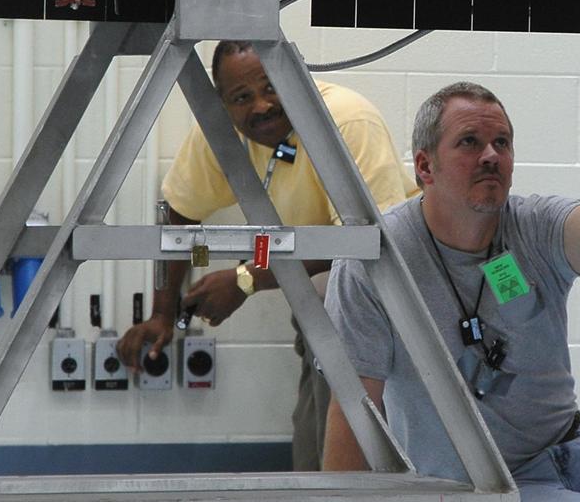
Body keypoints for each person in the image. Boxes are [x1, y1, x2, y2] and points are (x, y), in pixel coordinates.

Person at [321, 45, 580, 501]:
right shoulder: (376, 261)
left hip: (572, 447)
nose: (490, 155)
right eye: (469, 142)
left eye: (501, 143)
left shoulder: (533, 226)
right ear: (425, 166)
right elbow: (354, 407)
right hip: (478, 484)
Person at [116, 39, 415, 471]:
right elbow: (178, 212)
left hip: (382, 296)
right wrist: (162, 314)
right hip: (318, 307)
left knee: (334, 300)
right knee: (314, 419)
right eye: (242, 97)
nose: (261, 106)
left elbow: (364, 243)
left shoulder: (348, 119)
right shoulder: (218, 134)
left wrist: (245, 279)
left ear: (295, 80)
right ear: (222, 104)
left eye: (271, 87)